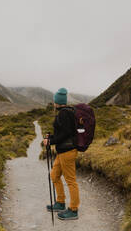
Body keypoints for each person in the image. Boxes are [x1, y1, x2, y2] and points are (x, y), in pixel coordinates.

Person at [43, 88, 79, 220]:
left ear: (58, 102)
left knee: (71, 181)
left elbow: (66, 134)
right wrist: (52, 136)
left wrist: (50, 141)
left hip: (67, 151)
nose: (53, 103)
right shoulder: (67, 112)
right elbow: (63, 132)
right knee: (54, 175)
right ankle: (60, 202)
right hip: (63, 151)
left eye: (54, 101)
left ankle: (73, 210)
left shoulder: (64, 114)